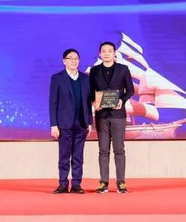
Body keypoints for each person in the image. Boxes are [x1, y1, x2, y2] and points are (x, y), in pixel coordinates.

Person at [89, 41, 134, 193]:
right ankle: (104, 182)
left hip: (118, 115)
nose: (107, 53)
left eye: (110, 51)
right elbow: (90, 92)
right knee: (103, 150)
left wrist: (122, 100)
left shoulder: (123, 69)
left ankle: (121, 182)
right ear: (99, 54)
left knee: (119, 149)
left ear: (115, 53)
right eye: (104, 51)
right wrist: (94, 101)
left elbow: (130, 90)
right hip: (101, 115)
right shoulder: (94, 71)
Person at [49, 48, 92, 194]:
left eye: (76, 58)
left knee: (78, 156)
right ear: (64, 61)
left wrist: (89, 122)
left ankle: (76, 184)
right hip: (63, 124)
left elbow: (88, 102)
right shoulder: (57, 78)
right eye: (70, 58)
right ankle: (62, 183)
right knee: (64, 155)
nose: (73, 61)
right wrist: (54, 124)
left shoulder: (85, 78)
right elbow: (53, 103)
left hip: (81, 123)